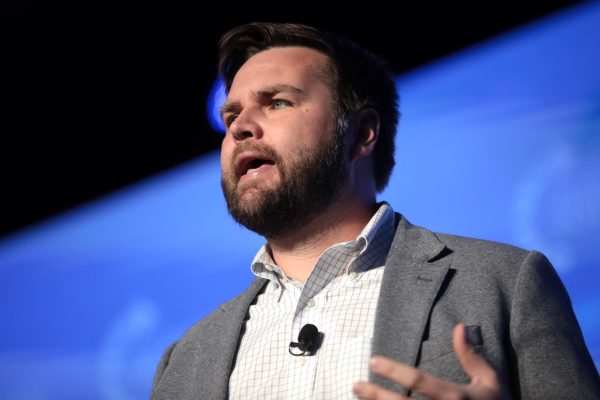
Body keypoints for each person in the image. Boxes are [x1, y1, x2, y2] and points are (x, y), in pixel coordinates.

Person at [150, 23, 600, 399]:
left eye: (278, 103)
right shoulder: (185, 359)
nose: (242, 128)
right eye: (231, 118)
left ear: (362, 133)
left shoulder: (506, 281)